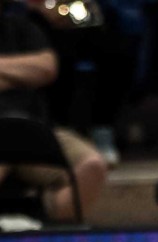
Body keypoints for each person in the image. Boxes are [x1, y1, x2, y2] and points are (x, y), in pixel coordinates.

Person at [0, 0, 107, 222]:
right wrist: (20, 73)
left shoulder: (21, 27)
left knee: (91, 165)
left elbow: (47, 67)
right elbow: (35, 69)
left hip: (33, 126)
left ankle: (40, 229)